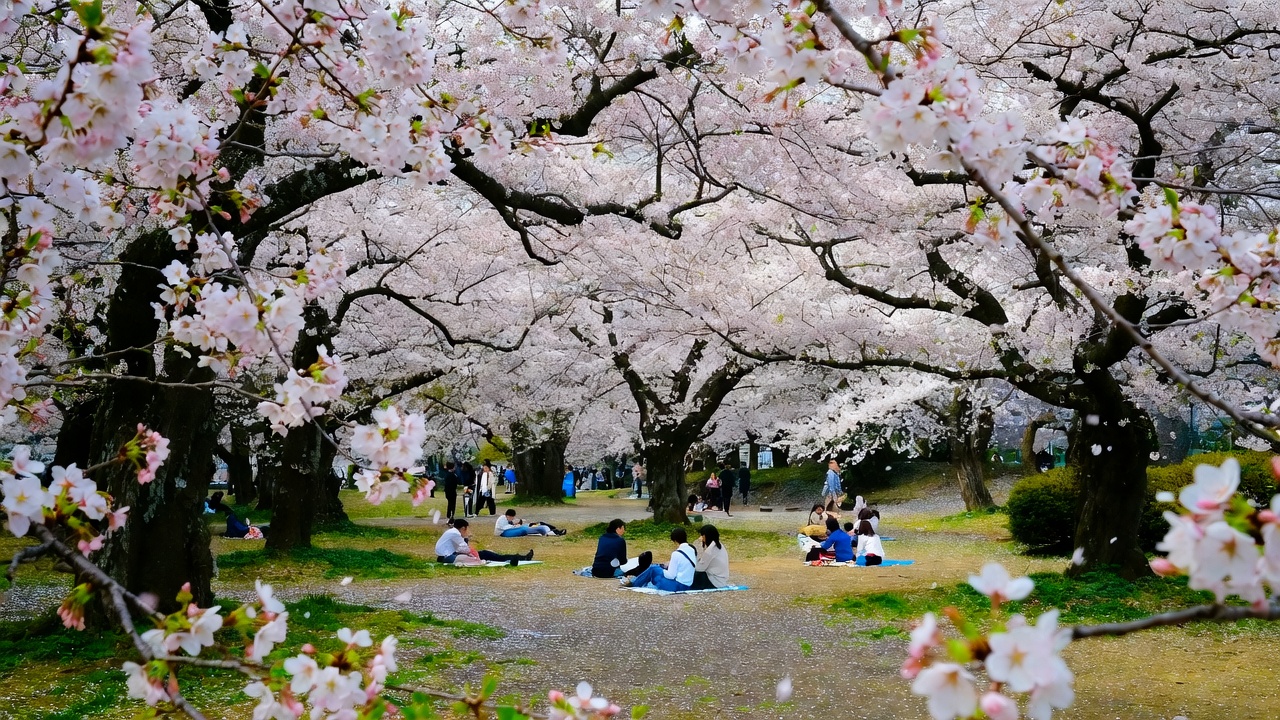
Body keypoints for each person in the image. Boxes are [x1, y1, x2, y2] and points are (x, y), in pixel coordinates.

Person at [623, 527, 696, 591]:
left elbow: (671, 575)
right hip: (688, 585)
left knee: (653, 568)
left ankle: (635, 583)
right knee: (655, 567)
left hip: (677, 586)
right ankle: (637, 582)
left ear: (675, 541)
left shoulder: (676, 554)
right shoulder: (691, 550)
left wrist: (663, 570)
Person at [435, 519, 531, 565]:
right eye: (466, 529)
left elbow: (462, 548)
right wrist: (467, 538)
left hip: (451, 554)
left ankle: (520, 557)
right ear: (463, 528)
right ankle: (514, 559)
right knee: (472, 558)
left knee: (486, 554)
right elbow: (465, 548)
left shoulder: (453, 532)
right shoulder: (455, 533)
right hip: (448, 557)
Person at [691, 525, 729, 589]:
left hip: (715, 582)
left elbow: (699, 568)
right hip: (722, 581)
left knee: (696, 574)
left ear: (705, 536)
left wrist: (697, 544)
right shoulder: (719, 545)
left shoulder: (710, 550)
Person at [495, 508, 564, 537]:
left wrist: (517, 524)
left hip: (509, 529)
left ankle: (552, 530)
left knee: (533, 525)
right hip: (503, 532)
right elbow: (503, 528)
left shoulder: (507, 519)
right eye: (512, 517)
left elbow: (511, 524)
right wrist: (515, 525)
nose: (512, 519)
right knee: (524, 529)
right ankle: (552, 532)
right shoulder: (502, 519)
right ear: (508, 516)